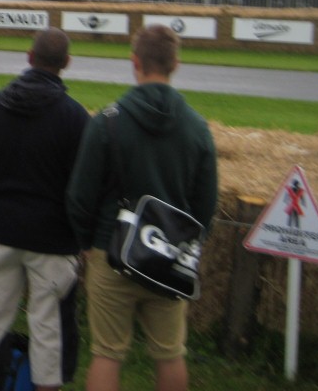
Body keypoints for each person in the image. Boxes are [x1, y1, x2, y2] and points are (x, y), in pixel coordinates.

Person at [66, 25, 218, 391]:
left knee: (107, 353)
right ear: (175, 65)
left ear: (134, 62)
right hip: (168, 253)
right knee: (170, 353)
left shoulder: (108, 120)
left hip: (110, 248)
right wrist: (186, 245)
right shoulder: (198, 128)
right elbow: (206, 204)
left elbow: (79, 196)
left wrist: (87, 243)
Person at [0, 28, 90, 391]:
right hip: (53, 240)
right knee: (48, 334)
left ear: (29, 57)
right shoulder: (75, 117)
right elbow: (85, 188)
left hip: (4, 231)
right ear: (66, 63)